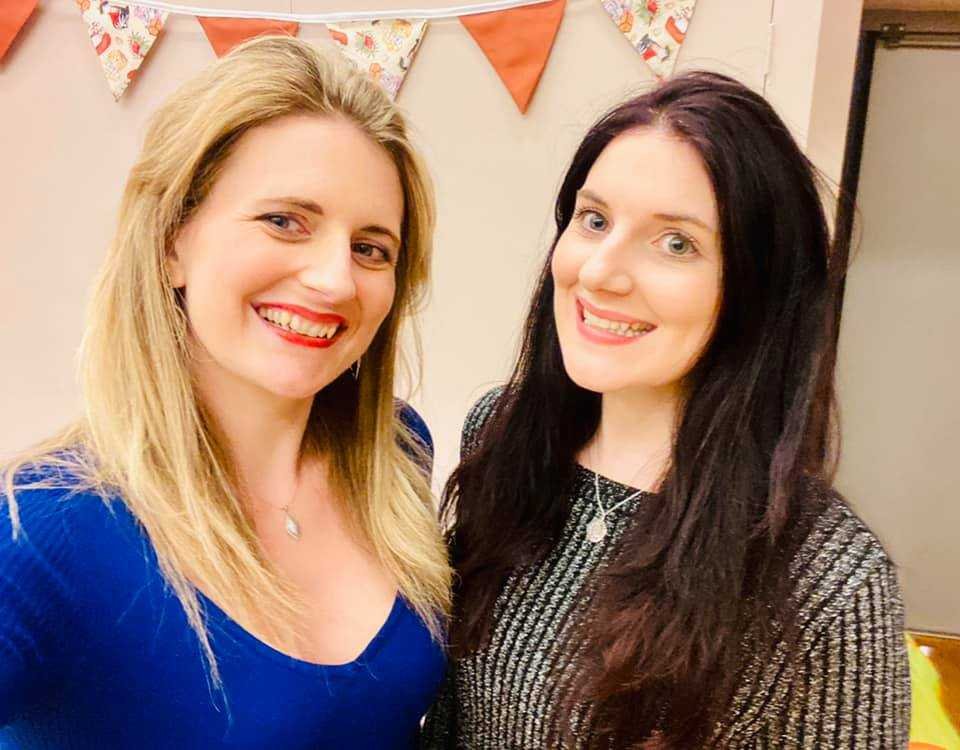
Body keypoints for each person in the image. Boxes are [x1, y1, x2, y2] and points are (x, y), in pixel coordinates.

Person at [423, 71, 910, 749]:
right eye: (594, 220)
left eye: (676, 243)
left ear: (754, 288)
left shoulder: (827, 582)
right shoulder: (503, 439)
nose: (600, 272)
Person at [0, 36, 450, 749]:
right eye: (284, 221)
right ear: (175, 240)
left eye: (371, 247)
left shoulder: (397, 455)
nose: (334, 279)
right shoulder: (47, 527)